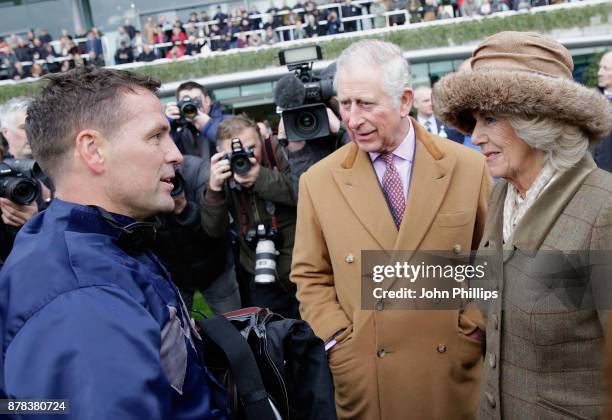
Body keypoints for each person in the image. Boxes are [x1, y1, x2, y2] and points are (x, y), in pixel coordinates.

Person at [0, 67, 229, 418]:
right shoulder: (79, 294)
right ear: (93, 150)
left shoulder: (108, 237)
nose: (175, 154)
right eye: (156, 136)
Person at [290, 39, 492, 419]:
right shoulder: (318, 181)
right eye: (344, 104)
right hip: (368, 378)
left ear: (404, 101)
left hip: (450, 371)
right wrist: (338, 340)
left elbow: (493, 257)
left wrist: (472, 327)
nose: (352, 118)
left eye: (366, 103)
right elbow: (309, 275)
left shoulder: (467, 166)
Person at [432, 31, 612, 419]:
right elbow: (505, 286)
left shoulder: (604, 209)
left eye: (490, 119)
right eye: (475, 121)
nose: (475, 136)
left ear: (539, 122)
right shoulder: (503, 195)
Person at [202, 115, 299, 319]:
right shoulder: (221, 174)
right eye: (233, 154)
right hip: (259, 272)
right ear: (219, 154)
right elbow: (213, 229)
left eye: (251, 148)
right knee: (274, 338)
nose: (245, 157)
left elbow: (305, 193)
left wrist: (261, 177)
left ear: (261, 138)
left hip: (301, 265)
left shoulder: (279, 151)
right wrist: (214, 190)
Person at [151, 154, 241, 314]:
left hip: (216, 271)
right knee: (180, 334)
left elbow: (215, 229)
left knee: (236, 326)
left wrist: (184, 210)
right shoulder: (142, 181)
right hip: (175, 278)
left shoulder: (196, 170)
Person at [0, 97, 49, 263]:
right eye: (23, 127)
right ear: (6, 132)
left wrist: (38, 222)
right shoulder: (3, 174)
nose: (31, 132)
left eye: (35, 126)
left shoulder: (59, 169)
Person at [165, 81, 231, 159]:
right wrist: (167, 123)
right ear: (178, 105)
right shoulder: (178, 129)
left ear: (207, 101)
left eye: (196, 101)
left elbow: (235, 144)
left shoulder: (229, 121)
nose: (190, 106)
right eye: (185, 102)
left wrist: (208, 126)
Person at [593, 50, 612, 172]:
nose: (599, 73)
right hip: (597, 177)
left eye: (606, 69)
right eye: (600, 68)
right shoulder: (587, 100)